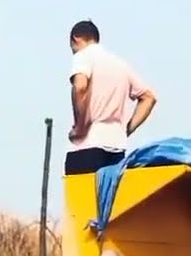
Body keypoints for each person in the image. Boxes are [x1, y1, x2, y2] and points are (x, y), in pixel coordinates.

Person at [65, 20, 158, 175]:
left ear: (75, 39)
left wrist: (80, 128)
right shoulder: (120, 64)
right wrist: (126, 129)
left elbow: (80, 87)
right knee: (109, 191)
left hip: (87, 147)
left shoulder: (83, 56)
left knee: (83, 191)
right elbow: (149, 97)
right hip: (116, 149)